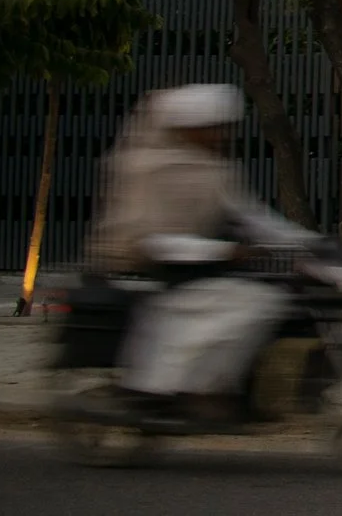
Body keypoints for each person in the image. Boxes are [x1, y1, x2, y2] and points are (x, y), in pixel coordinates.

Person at [88, 83, 319, 414]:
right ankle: (200, 390)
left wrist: (310, 242)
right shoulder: (147, 169)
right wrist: (223, 252)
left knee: (270, 298)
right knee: (253, 302)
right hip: (150, 269)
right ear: (187, 129)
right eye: (210, 129)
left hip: (196, 269)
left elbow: (252, 217)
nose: (218, 137)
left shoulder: (215, 169)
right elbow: (150, 240)